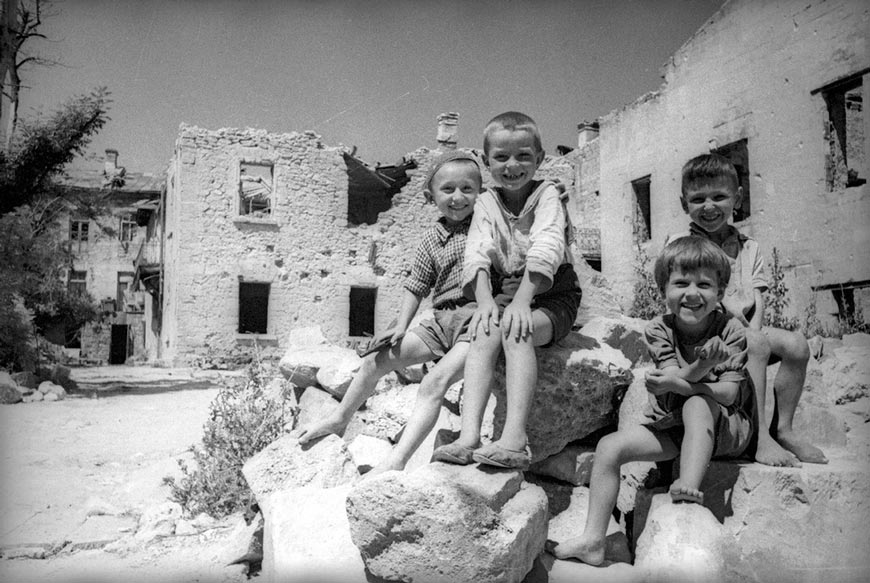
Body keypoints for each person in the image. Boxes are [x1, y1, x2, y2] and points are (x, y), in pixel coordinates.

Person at [552, 236, 756, 565]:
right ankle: (593, 539)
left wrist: (686, 383)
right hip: (672, 427)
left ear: (720, 292)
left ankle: (688, 487)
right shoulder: (659, 329)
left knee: (696, 404)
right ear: (664, 291)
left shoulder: (730, 330)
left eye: (704, 284)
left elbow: (729, 393)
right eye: (680, 283)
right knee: (609, 447)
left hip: (724, 430)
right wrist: (701, 368)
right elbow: (670, 381)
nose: (692, 293)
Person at [293, 151, 482, 474]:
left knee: (433, 382)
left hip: (476, 323)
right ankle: (340, 419)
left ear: (481, 193)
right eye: (447, 189)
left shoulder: (487, 225)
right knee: (375, 360)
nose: (458, 197)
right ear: (430, 196)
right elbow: (417, 284)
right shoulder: (431, 239)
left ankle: (396, 461)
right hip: (442, 320)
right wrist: (401, 327)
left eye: (467, 189)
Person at [431, 111, 582, 470]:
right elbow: (477, 252)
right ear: (486, 162)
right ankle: (469, 438)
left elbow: (548, 246)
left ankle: (515, 439)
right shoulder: (485, 202)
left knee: (517, 331)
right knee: (483, 329)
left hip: (550, 294)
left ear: (540, 159)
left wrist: (523, 302)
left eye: (523, 156)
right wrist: (484, 302)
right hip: (509, 292)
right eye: (501, 157)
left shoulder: (546, 195)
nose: (512, 165)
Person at [670, 153, 826, 466]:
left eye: (719, 196)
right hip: (704, 332)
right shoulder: (683, 245)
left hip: (742, 328)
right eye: (698, 198)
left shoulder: (747, 245)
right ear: (684, 202)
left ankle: (783, 428)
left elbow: (758, 293)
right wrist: (748, 336)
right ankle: (758, 439)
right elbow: (694, 296)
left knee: (796, 345)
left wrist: (754, 329)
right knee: (753, 343)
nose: (709, 206)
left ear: (737, 198)